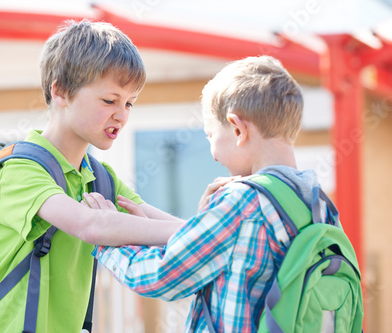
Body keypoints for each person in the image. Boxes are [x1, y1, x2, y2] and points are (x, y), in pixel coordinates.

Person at [0, 20, 182, 333]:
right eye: (109, 100)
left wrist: (215, 228)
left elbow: (164, 226)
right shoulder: (19, 169)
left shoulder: (99, 178)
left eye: (129, 103)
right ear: (60, 91)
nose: (122, 115)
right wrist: (207, 234)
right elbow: (90, 225)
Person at [88, 55, 335, 332]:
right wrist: (199, 223)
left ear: (238, 128)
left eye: (210, 136)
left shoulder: (241, 204)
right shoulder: (317, 203)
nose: (213, 154)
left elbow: (162, 276)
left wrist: (106, 238)